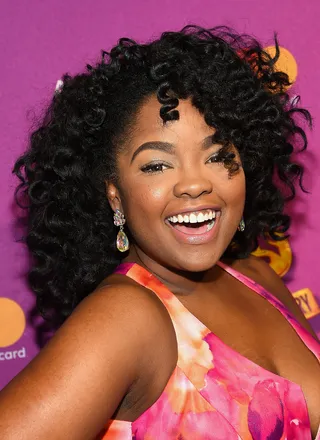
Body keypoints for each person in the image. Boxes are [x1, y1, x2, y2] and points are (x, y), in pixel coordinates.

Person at [0, 25, 319, 440]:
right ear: (113, 192)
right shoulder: (123, 317)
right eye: (156, 165)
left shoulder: (258, 277)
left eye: (218, 156)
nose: (194, 184)